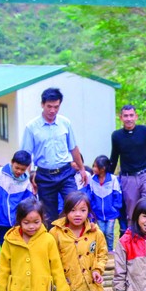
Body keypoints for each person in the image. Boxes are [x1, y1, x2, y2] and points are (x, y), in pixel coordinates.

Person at [21, 87, 89, 224]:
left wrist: (82, 169)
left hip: (65, 172)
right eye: (49, 106)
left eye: (56, 107)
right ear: (42, 104)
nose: (52, 110)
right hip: (45, 175)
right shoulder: (32, 127)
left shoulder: (65, 123)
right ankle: (53, 242)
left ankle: (77, 238)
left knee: (75, 204)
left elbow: (73, 148)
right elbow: (26, 155)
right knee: (48, 214)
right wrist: (29, 176)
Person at [0, 150, 35, 262]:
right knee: (4, 241)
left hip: (18, 219)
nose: (19, 171)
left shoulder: (26, 181)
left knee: (19, 241)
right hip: (1, 217)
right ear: (12, 162)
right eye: (17, 168)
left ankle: (18, 263)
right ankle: (7, 264)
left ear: (27, 168)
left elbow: (29, 200)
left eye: (22, 169)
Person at [108, 105, 146, 225]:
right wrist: (108, 178)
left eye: (131, 115)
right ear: (121, 117)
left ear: (136, 116)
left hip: (145, 174)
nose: (129, 119)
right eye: (125, 116)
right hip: (128, 178)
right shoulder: (116, 136)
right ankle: (133, 239)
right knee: (132, 212)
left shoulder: (144, 131)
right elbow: (114, 157)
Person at [84, 155, 123, 252]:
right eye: (94, 166)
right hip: (98, 213)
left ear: (103, 168)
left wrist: (115, 208)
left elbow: (117, 194)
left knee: (109, 232)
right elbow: (90, 195)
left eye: (96, 166)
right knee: (101, 232)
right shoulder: (92, 180)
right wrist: (93, 208)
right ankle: (103, 251)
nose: (93, 168)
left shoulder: (113, 179)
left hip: (111, 213)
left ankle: (110, 251)